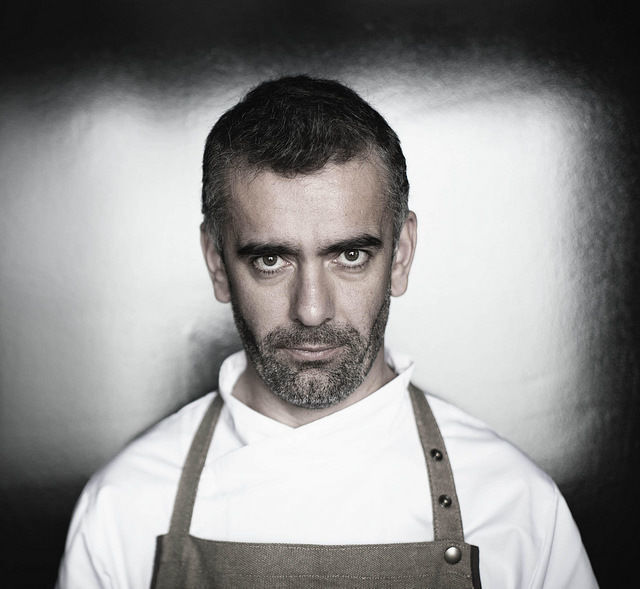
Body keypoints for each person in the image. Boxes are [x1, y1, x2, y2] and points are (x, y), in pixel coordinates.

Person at [57, 75, 598, 588]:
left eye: (350, 255)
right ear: (217, 263)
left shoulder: (516, 507)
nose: (312, 310)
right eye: (271, 260)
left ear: (402, 254)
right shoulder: (125, 507)